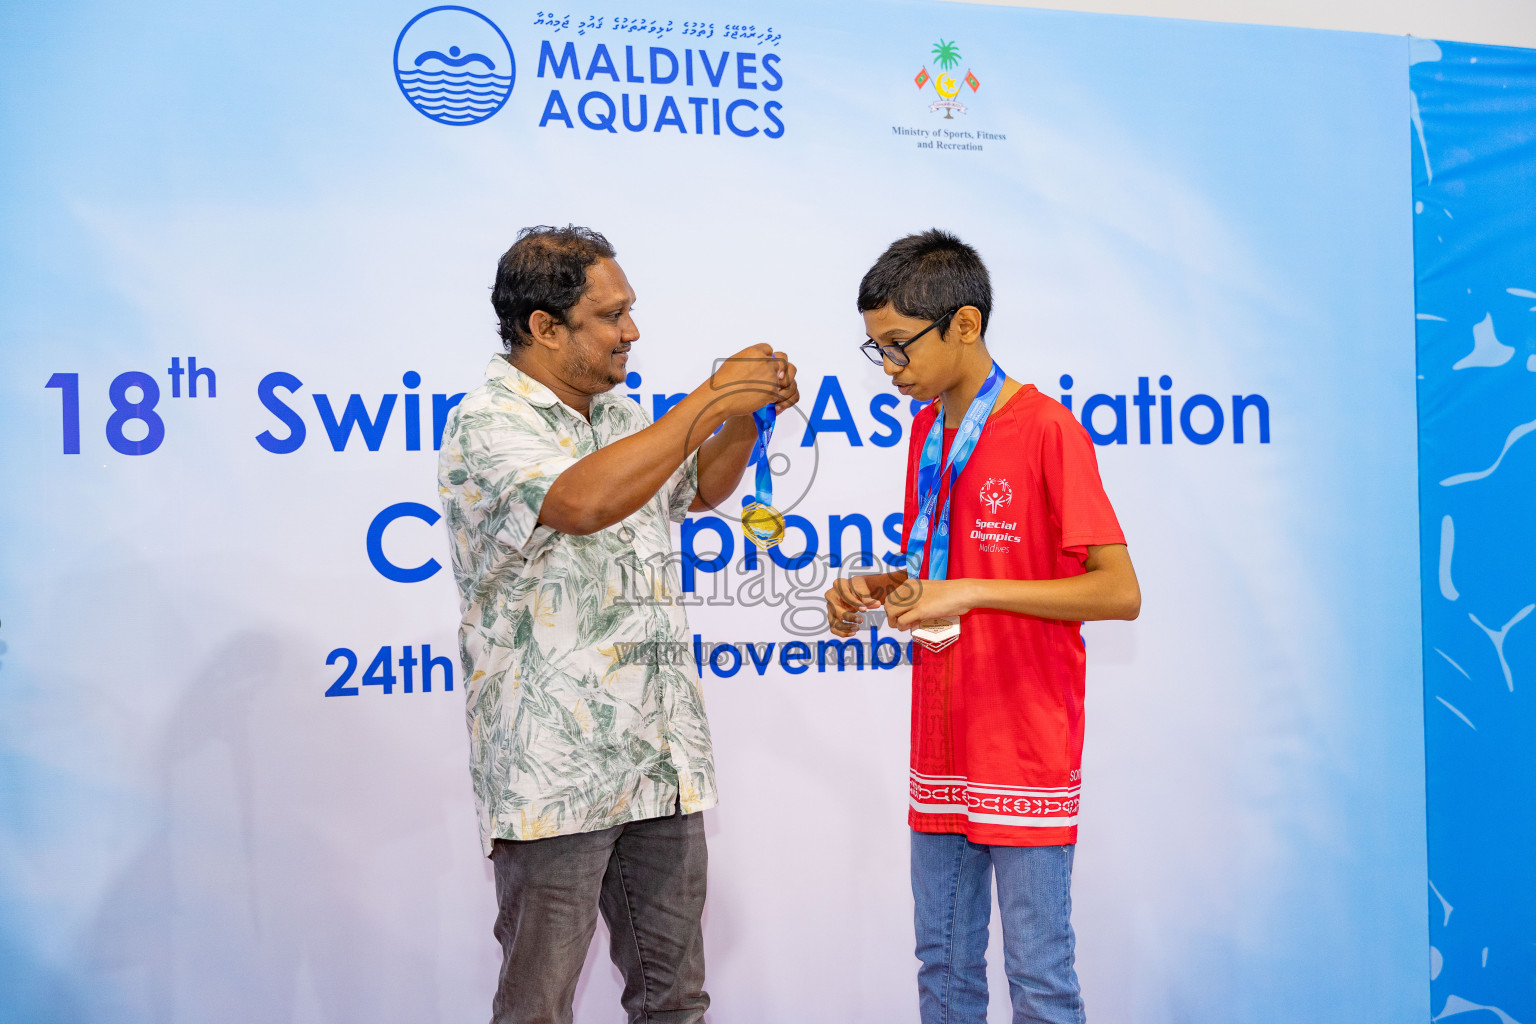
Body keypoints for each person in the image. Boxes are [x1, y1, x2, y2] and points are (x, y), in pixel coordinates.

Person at [438, 225, 798, 1024]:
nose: (631, 331)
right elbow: (580, 501)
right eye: (611, 315)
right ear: (544, 326)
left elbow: (697, 490)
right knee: (538, 1009)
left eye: (629, 310)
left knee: (676, 1001)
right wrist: (708, 397)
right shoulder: (486, 422)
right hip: (554, 778)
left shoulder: (621, 413)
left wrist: (742, 416)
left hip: (657, 763)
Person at [824, 229, 1140, 1024]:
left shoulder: (1046, 428)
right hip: (942, 735)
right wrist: (875, 590)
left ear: (964, 325)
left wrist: (969, 592)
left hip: (1023, 740)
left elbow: (1119, 590)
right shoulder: (927, 432)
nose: (889, 367)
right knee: (944, 970)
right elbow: (939, 571)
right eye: (877, 350)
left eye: (898, 346)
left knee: (1039, 980)